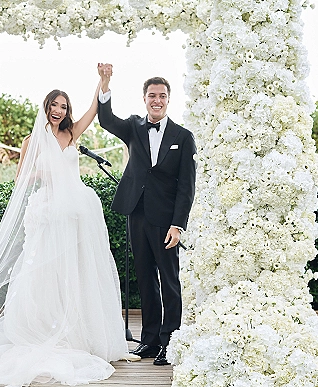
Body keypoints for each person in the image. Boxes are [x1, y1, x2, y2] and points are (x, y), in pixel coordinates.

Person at [0, 77, 139, 386]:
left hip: (76, 211)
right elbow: (22, 177)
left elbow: (92, 110)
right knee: (47, 271)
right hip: (49, 211)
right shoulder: (32, 140)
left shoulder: (72, 133)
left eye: (63, 106)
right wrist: (43, 171)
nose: (59, 110)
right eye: (54, 105)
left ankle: (81, 330)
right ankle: (47, 326)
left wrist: (103, 82)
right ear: (46, 107)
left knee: (78, 270)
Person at [97, 63, 197, 366]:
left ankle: (171, 341)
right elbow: (105, 119)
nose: (157, 100)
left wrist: (177, 225)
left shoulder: (183, 136)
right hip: (137, 214)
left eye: (162, 96)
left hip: (166, 220)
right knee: (145, 280)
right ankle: (151, 341)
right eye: (152, 95)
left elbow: (187, 188)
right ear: (144, 99)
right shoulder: (134, 127)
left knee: (169, 281)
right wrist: (105, 82)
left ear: (168, 100)